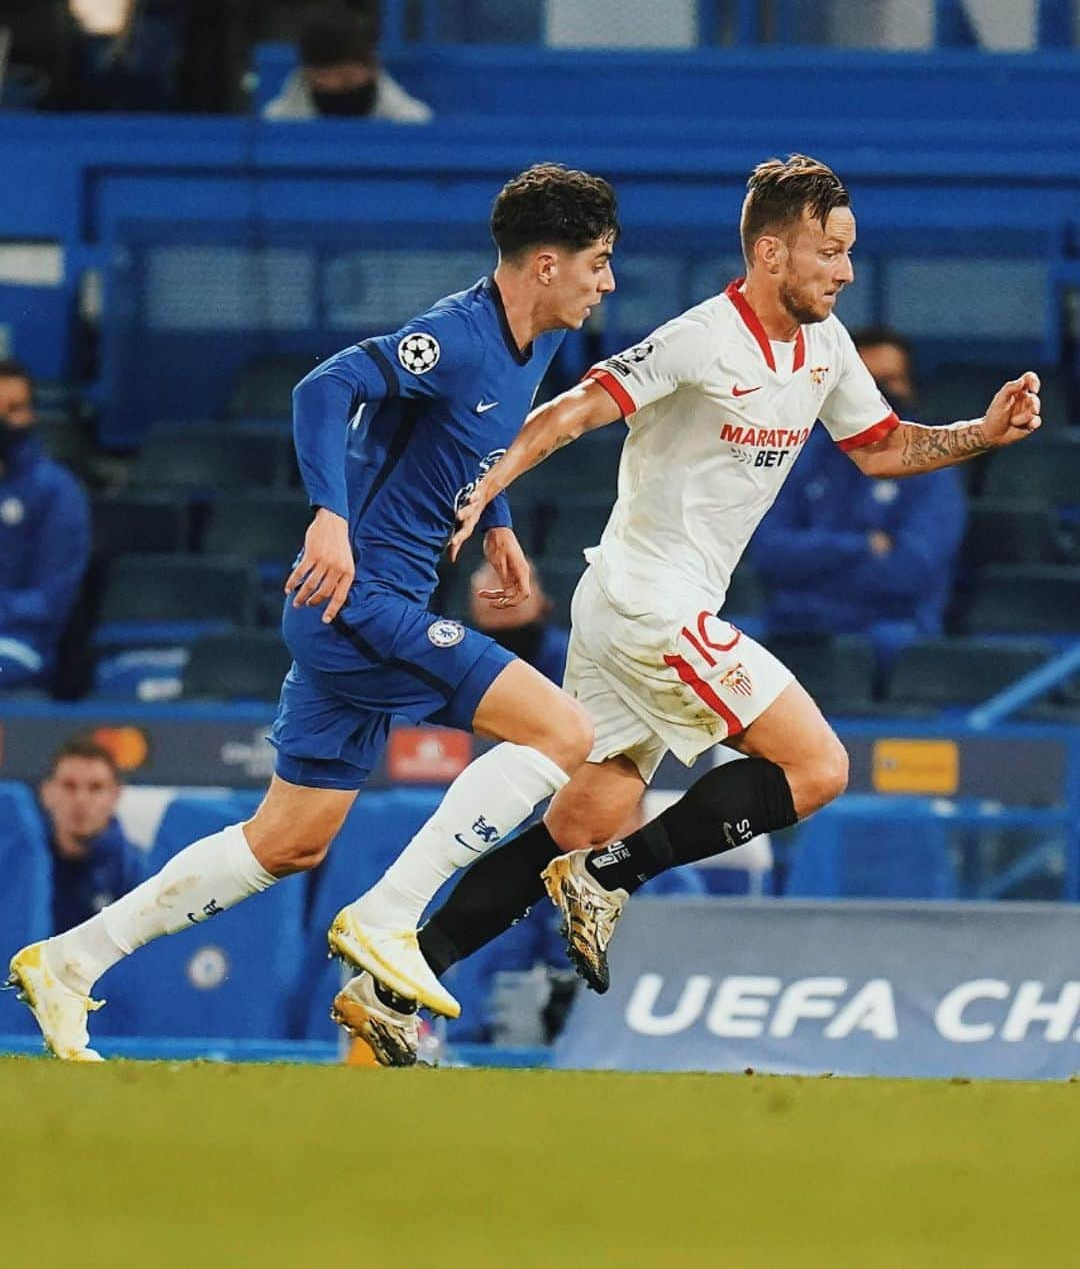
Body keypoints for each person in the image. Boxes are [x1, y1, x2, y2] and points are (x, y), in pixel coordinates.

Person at [340, 153, 1042, 1064]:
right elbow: (572, 411)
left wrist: (980, 434)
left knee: (578, 820)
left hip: (630, 608)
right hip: (648, 605)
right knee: (818, 767)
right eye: (829, 251)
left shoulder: (826, 347)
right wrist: (483, 486)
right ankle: (607, 880)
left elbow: (880, 449)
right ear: (769, 251)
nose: (846, 270)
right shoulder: (701, 338)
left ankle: (391, 986)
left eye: (848, 252)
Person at [7, 162, 619, 1061]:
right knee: (564, 733)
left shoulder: (534, 344)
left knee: (286, 843)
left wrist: (497, 521)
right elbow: (322, 390)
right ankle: (391, 918)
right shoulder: (453, 336)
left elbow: (464, 441)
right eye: (598, 262)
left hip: (372, 610)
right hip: (358, 604)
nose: (606, 281)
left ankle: (70, 962)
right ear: (543, 264)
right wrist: (330, 516)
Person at [750, 326, 967, 673]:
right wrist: (862, 547)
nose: (877, 394)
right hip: (796, 625)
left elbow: (910, 573)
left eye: (889, 381)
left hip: (887, 629)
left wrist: (814, 571)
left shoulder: (932, 467)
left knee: (887, 643)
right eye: (865, 382)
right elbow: (768, 555)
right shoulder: (801, 458)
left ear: (910, 388)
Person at [0, 359, 91, 692]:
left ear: (32, 416)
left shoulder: (57, 491)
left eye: (13, 410)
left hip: (20, 645)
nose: (2, 422)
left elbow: (52, 600)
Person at [40, 738, 145, 934]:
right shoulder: (19, 864)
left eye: (95, 788)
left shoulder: (137, 874)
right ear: (47, 793)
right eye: (69, 786)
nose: (81, 799)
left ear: (115, 795)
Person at [263, 6, 432, 123]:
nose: (334, 86)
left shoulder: (414, 123)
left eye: (347, 79)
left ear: (373, 67)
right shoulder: (272, 124)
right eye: (323, 78)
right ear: (306, 74)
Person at [468, 558, 569, 686]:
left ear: (541, 598)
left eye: (516, 581)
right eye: (493, 579)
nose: (503, 591)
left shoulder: (570, 654)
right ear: (472, 604)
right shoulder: (457, 657)